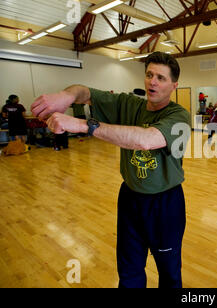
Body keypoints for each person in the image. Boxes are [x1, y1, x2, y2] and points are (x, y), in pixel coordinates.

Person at [31, 51, 191, 288]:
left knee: (169, 274)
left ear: (174, 85)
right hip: (130, 198)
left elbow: (146, 140)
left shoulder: (179, 115)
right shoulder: (128, 104)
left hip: (164, 203)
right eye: (149, 75)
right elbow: (85, 91)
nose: (152, 82)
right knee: (129, 271)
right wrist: (65, 96)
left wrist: (83, 125)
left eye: (161, 77)